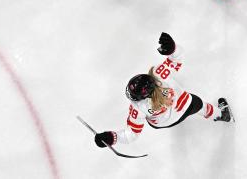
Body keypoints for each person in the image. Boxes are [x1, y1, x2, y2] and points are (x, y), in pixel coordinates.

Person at [93, 33, 233, 149]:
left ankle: (217, 114)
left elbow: (131, 135)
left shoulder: (137, 108)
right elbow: (177, 59)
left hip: (162, 122)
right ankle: (222, 114)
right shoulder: (157, 74)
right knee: (200, 105)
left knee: (193, 105)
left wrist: (111, 138)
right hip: (184, 106)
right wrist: (172, 49)